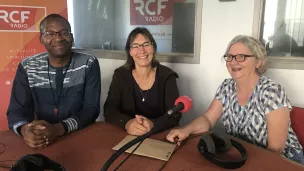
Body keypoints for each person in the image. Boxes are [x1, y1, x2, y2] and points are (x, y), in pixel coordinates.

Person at [166, 35, 304, 164]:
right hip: (242, 155)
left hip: (284, 161)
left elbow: (275, 150)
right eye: (230, 57)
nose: (233, 62)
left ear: (258, 62)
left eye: (241, 57)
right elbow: (208, 119)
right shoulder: (226, 86)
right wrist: (186, 130)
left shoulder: (272, 92)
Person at [7, 14, 101, 149]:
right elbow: (16, 110)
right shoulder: (28, 66)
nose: (58, 38)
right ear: (41, 39)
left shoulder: (88, 63)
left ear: (72, 37)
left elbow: (91, 109)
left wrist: (58, 129)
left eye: (64, 32)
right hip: (41, 140)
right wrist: (25, 130)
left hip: (79, 135)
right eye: (50, 33)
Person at [104, 27, 180, 136]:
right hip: (127, 136)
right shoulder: (120, 75)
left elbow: (175, 115)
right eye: (135, 46)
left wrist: (154, 124)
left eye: (146, 44)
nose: (142, 50)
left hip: (159, 136)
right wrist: (127, 123)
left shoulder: (167, 76)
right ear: (129, 51)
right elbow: (109, 110)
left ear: (153, 48)